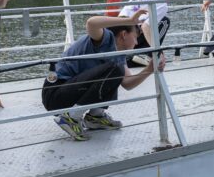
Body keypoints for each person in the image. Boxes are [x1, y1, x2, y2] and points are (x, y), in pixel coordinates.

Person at [42, 9, 164, 141]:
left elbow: (127, 83)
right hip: (55, 93)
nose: (136, 43)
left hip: (68, 92)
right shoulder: (105, 38)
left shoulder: (118, 55)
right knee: (115, 69)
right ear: (123, 34)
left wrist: (150, 69)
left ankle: (96, 117)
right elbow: (91, 23)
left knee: (116, 71)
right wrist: (130, 21)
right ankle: (71, 117)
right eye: (135, 37)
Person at [117, 0, 182, 66]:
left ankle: (137, 54)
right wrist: (158, 50)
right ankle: (148, 54)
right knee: (165, 22)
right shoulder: (162, 5)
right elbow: (145, 26)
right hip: (131, 31)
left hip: (119, 25)